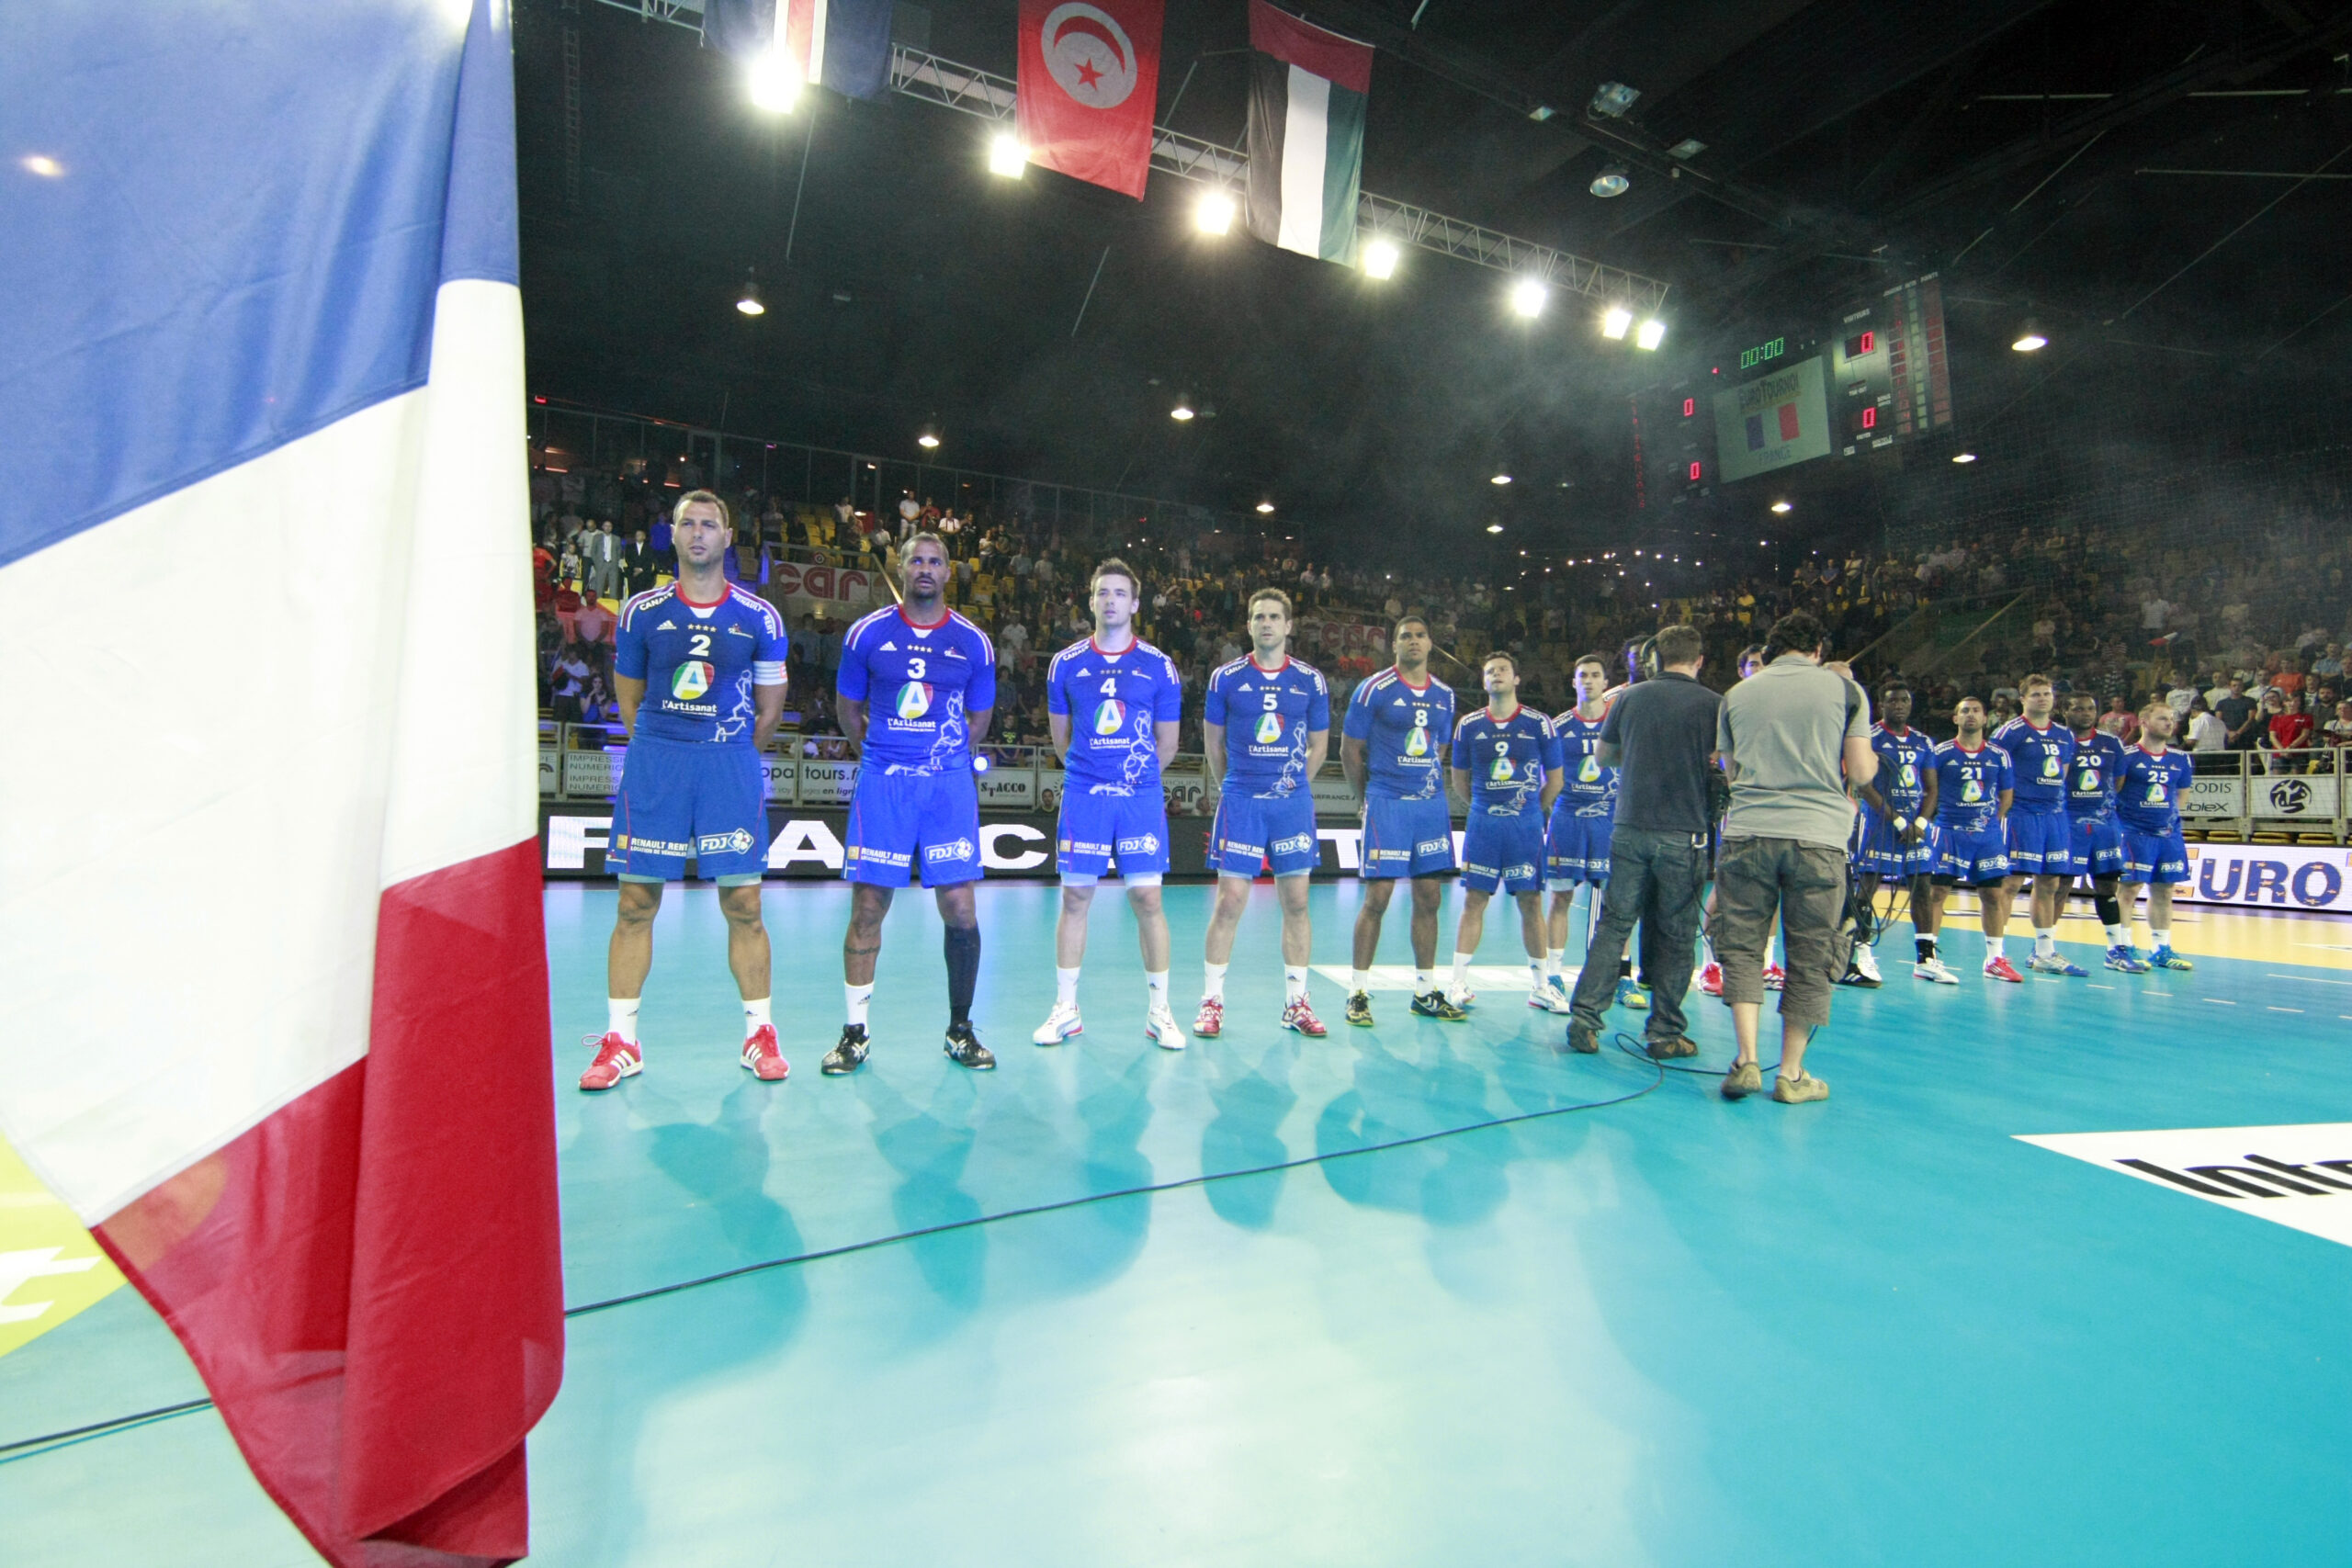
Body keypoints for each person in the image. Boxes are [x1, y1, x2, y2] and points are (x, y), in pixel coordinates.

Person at [581, 490, 792, 1091]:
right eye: (687, 524)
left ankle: (760, 1034)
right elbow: (629, 698)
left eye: (710, 524)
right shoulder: (640, 611)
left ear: (728, 538)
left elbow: (770, 710)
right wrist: (665, 743)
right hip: (658, 761)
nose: (698, 533)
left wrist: (724, 746)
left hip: (728, 763)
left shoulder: (759, 616)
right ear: (671, 536)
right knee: (635, 903)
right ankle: (622, 1040)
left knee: (744, 905)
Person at [825, 532, 999, 1075]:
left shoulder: (974, 642)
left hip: (946, 787)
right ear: (901, 569)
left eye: (935, 561)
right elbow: (848, 711)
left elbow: (979, 720)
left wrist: (941, 759)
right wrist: (884, 755)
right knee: (869, 908)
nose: (925, 568)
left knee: (961, 909)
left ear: (949, 572)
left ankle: (960, 1030)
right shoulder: (867, 634)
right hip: (885, 784)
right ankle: (855, 1034)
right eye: (915, 560)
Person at [1706, 613, 1871, 1104]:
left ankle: (1747, 1059)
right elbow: (1861, 771)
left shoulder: (1737, 695)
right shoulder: (1846, 692)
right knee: (1811, 954)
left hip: (1750, 833)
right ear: (1818, 649)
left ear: (1772, 649)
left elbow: (1731, 773)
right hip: (1819, 838)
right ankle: (1792, 1074)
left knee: (1741, 946)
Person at [1032, 559, 1187, 1050]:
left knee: (1148, 900)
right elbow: (1062, 741)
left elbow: (1168, 744)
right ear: (1092, 600)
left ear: (1136, 604)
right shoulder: (1067, 663)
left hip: (1139, 798)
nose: (1112, 600)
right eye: (1104, 592)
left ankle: (1160, 1012)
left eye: (1121, 593)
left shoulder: (1159, 665)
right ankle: (1065, 1009)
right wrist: (1097, 777)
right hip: (1084, 796)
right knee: (1075, 898)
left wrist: (1130, 779)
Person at [1565, 625, 1721, 1060]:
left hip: (1630, 826)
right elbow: (1726, 761)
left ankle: (1585, 1018)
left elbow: (1604, 757)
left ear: (1657, 656)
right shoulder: (1712, 703)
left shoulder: (1628, 698)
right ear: (1699, 659)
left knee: (1614, 924)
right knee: (1675, 934)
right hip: (1683, 831)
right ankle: (1665, 1031)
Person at [1197, 589, 1331, 1038]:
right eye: (1259, 617)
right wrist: (1233, 787)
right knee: (1230, 902)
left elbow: (1320, 745)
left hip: (1291, 805)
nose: (1267, 623)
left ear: (1289, 626)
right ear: (1249, 626)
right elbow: (1213, 743)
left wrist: (1292, 783)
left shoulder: (1311, 681)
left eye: (1275, 617)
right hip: (1242, 800)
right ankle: (1211, 1001)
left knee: (1296, 902)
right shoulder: (1226, 678)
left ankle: (1297, 1002)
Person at [1340, 615, 1463, 1026]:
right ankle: (1357, 992)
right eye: (1405, 636)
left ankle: (1425, 992)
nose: (1413, 641)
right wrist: (1367, 799)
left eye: (1420, 635)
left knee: (1430, 898)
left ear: (1431, 644)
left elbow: (1439, 749)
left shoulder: (1445, 695)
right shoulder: (1373, 688)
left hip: (1429, 808)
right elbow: (1349, 750)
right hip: (1386, 803)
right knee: (1377, 900)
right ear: (1393, 646)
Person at [1445, 652, 1563, 1010]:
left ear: (1516, 679)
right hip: (1483, 824)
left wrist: (1526, 810)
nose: (1496, 675)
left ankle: (1541, 986)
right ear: (1483, 682)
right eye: (1489, 672)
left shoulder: (1538, 723)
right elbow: (1459, 781)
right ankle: (1458, 984)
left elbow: (1555, 780)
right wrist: (1486, 807)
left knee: (1531, 902)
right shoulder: (1468, 724)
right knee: (1474, 901)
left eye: (1503, 670)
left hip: (1524, 826)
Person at [1544, 654, 1643, 1013]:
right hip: (1567, 819)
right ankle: (1552, 976)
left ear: (1606, 683)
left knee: (1618, 905)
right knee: (1561, 899)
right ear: (1574, 683)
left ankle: (1622, 977)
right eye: (1581, 675)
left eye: (1595, 675)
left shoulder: (1620, 725)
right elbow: (1546, 777)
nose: (1588, 680)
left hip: (1609, 822)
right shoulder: (1558, 726)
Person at [1845, 680, 1938, 988]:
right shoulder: (1869, 737)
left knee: (1922, 885)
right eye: (1892, 701)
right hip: (1879, 824)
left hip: (1915, 826)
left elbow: (1932, 788)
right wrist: (1898, 822)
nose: (1899, 706)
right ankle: (1860, 953)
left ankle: (1926, 959)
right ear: (1881, 706)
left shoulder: (1923, 742)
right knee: (1868, 887)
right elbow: (1863, 785)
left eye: (1904, 701)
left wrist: (1921, 823)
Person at [1921, 698, 2018, 985]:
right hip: (1948, 831)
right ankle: (1928, 958)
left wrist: (1987, 822)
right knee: (1937, 893)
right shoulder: (1941, 752)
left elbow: (2007, 796)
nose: (1971, 715)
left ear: (1985, 719)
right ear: (1955, 718)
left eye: (1976, 711)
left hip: (1986, 834)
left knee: (1993, 895)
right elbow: (1929, 791)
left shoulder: (1999, 755)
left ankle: (1994, 959)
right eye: (1965, 710)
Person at [1994, 675, 2084, 977]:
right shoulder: (2011, 732)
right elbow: (1993, 768)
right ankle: (1997, 954)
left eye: (2047, 693)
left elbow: (2063, 774)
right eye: (2035, 694)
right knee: (2011, 883)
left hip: (2054, 816)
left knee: (2050, 883)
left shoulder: (2064, 734)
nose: (2043, 698)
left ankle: (2044, 952)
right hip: (2021, 814)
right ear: (2023, 699)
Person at [2060, 693, 2146, 973]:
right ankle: (2044, 948)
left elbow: (2118, 781)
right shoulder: (2059, 740)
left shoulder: (2111, 743)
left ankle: (2115, 950)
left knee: (2108, 886)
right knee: (2059, 886)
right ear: (2065, 711)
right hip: (2068, 823)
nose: (2086, 713)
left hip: (2105, 825)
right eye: (2079, 709)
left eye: (2090, 709)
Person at [2116, 703, 2197, 971]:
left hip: (2168, 834)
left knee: (2165, 889)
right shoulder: (2126, 756)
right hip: (2133, 832)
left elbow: (2181, 797)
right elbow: (2114, 794)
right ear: (2143, 721)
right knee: (2129, 889)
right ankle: (2122, 947)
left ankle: (2161, 949)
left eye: (2172, 719)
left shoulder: (2181, 759)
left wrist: (2167, 822)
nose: (2169, 723)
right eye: (2162, 718)